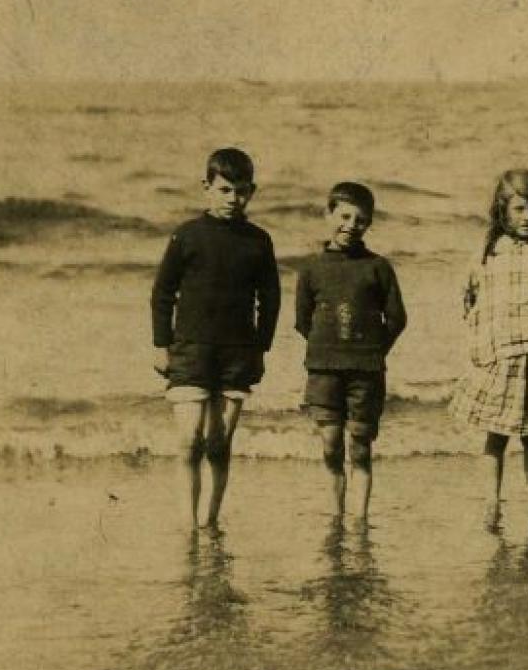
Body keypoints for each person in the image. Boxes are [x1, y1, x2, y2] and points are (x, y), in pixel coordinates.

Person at [151, 147, 281, 530]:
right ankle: (188, 525)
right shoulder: (186, 236)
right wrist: (161, 345)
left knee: (219, 443)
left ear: (252, 192)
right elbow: (162, 292)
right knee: (188, 442)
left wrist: (261, 348)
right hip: (190, 351)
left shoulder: (259, 241)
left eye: (240, 191)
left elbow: (270, 299)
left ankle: (210, 522)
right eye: (224, 190)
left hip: (237, 355)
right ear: (206, 187)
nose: (232, 199)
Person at [450, 169, 528, 503]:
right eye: (519, 209)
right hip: (501, 355)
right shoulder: (488, 254)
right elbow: (470, 300)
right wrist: (483, 348)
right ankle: (491, 501)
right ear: (502, 210)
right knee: (496, 435)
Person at [293, 182, 408, 513]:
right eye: (344, 216)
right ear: (327, 214)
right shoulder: (311, 268)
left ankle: (358, 520)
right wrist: (328, 348)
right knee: (330, 444)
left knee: (360, 445)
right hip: (324, 370)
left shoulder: (378, 267)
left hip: (366, 373)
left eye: (360, 220)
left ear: (369, 223)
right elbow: (303, 322)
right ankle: (336, 512)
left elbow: (397, 318)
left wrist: (372, 351)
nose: (350, 226)